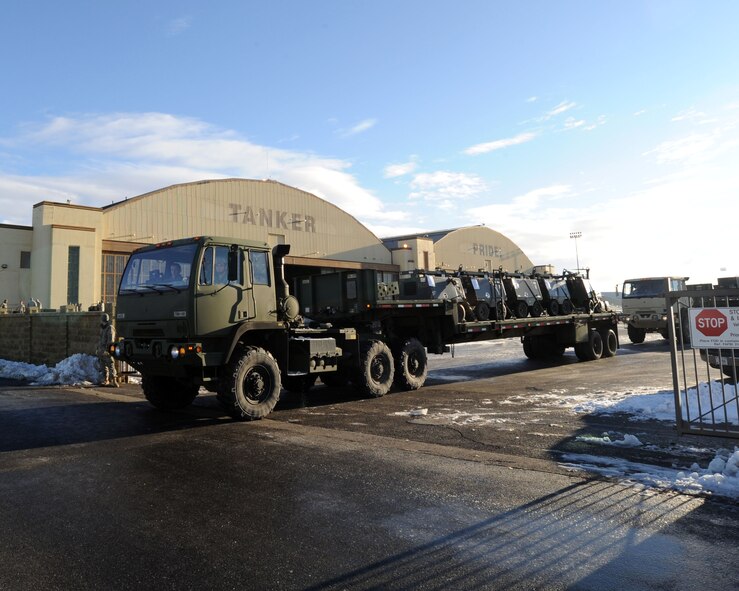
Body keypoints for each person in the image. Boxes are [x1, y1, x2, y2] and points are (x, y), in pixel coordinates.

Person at [98, 313, 118, 387]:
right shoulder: (102, 328)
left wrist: (108, 350)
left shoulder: (110, 328)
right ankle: (105, 380)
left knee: (110, 365)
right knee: (103, 366)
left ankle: (114, 380)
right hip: (101, 350)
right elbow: (100, 339)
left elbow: (110, 340)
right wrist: (98, 349)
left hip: (107, 350)